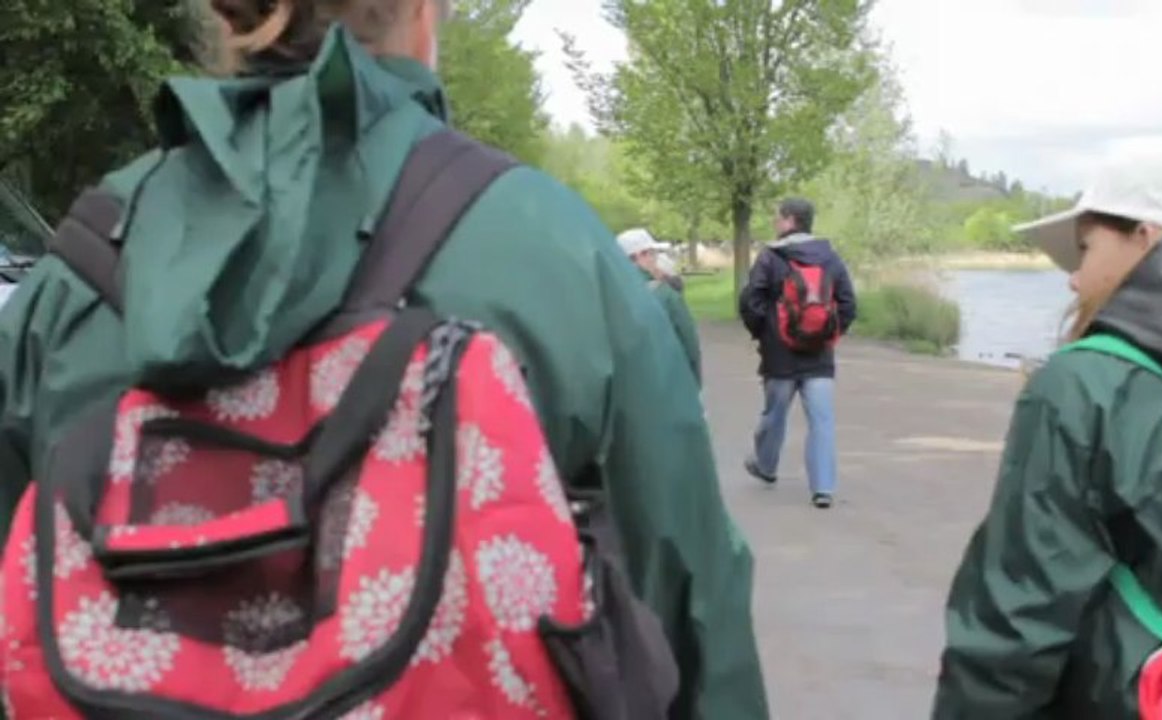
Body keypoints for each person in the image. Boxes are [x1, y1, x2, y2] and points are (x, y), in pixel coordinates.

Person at [0, 1, 767, 717]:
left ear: (218, 16)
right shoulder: (553, 251)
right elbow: (693, 611)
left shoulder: (76, 275)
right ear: (423, 14)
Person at [931, 136, 1162, 718]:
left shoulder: (1086, 382)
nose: (1074, 280)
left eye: (1085, 248)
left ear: (1146, 237)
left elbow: (1017, 620)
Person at [738, 197, 855, 509]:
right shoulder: (830, 258)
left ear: (790, 220)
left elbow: (751, 301)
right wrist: (829, 334)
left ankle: (766, 466)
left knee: (774, 415)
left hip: (780, 356)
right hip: (819, 356)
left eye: (778, 217)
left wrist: (766, 334)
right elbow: (848, 304)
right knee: (822, 421)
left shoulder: (771, 257)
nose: (775, 222)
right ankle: (823, 488)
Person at [618, 228, 702, 384]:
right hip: (665, 381)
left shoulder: (610, 294)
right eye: (652, 253)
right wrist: (694, 381)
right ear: (640, 255)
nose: (655, 259)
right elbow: (688, 341)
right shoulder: (665, 295)